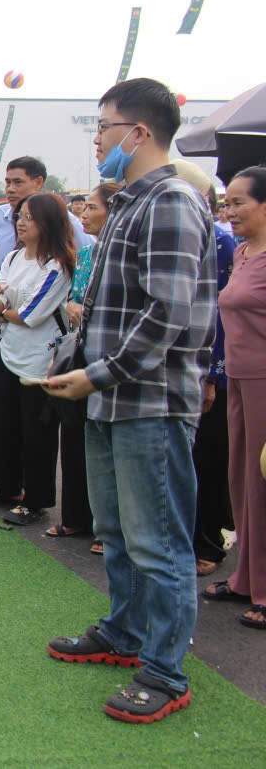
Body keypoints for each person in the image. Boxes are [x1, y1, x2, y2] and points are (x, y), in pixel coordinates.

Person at [46, 78, 216, 724]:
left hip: (147, 400)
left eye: (104, 127)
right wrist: (83, 362)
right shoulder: (129, 203)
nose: (97, 140)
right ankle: (123, 632)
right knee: (117, 532)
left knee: (159, 542)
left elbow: (167, 313)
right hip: (111, 396)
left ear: (139, 133)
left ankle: (166, 669)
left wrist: (101, 372)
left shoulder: (170, 199)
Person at [0, 194, 75, 526]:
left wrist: (1, 309)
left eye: (29, 217)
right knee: (3, 424)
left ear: (47, 223)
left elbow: (30, 314)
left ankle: (35, 500)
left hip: (39, 359)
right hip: (9, 350)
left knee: (37, 433)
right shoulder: (14, 257)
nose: (21, 222)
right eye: (19, 216)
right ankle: (8, 489)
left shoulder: (57, 266)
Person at [203, 166, 266, 630]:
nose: (229, 210)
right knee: (241, 479)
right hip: (238, 383)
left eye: (238, 202)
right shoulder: (243, 252)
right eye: (227, 202)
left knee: (263, 481)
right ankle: (247, 577)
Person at [171, 161, 237, 577]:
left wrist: (212, 374)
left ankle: (209, 542)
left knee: (208, 461)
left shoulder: (222, 244)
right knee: (182, 463)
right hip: (177, 368)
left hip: (215, 371)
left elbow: (219, 314)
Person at [53, 183, 119, 551]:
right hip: (82, 354)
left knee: (111, 450)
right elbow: (73, 299)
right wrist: (73, 308)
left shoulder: (123, 252)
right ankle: (79, 518)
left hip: (111, 362)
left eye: (92, 207)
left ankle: (107, 530)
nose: (84, 214)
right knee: (78, 439)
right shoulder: (89, 253)